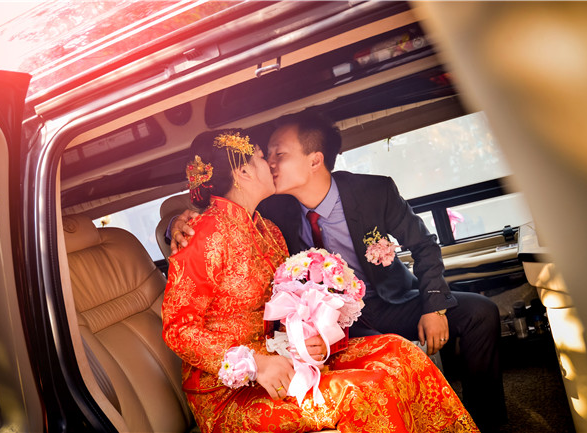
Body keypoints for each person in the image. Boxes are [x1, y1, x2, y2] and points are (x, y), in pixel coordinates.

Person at [169, 115, 506, 432]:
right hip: (238, 383)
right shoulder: (210, 232)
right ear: (242, 172)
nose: (270, 163)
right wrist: (176, 224)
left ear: (315, 160)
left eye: (277, 154)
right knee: (371, 387)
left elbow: (292, 300)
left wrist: (311, 339)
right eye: (262, 156)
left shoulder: (269, 228)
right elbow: (179, 328)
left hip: (343, 324)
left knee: (400, 351)